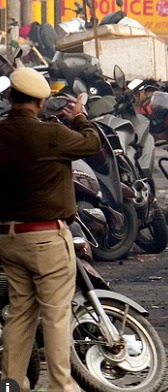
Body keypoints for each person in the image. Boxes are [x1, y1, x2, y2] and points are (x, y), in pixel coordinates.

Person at [0, 68, 101, 391]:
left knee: (20, 314)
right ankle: (61, 385)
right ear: (40, 102)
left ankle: (11, 383)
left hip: (8, 239)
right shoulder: (50, 135)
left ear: (11, 98)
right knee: (56, 315)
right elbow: (93, 144)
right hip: (46, 238)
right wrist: (80, 117)